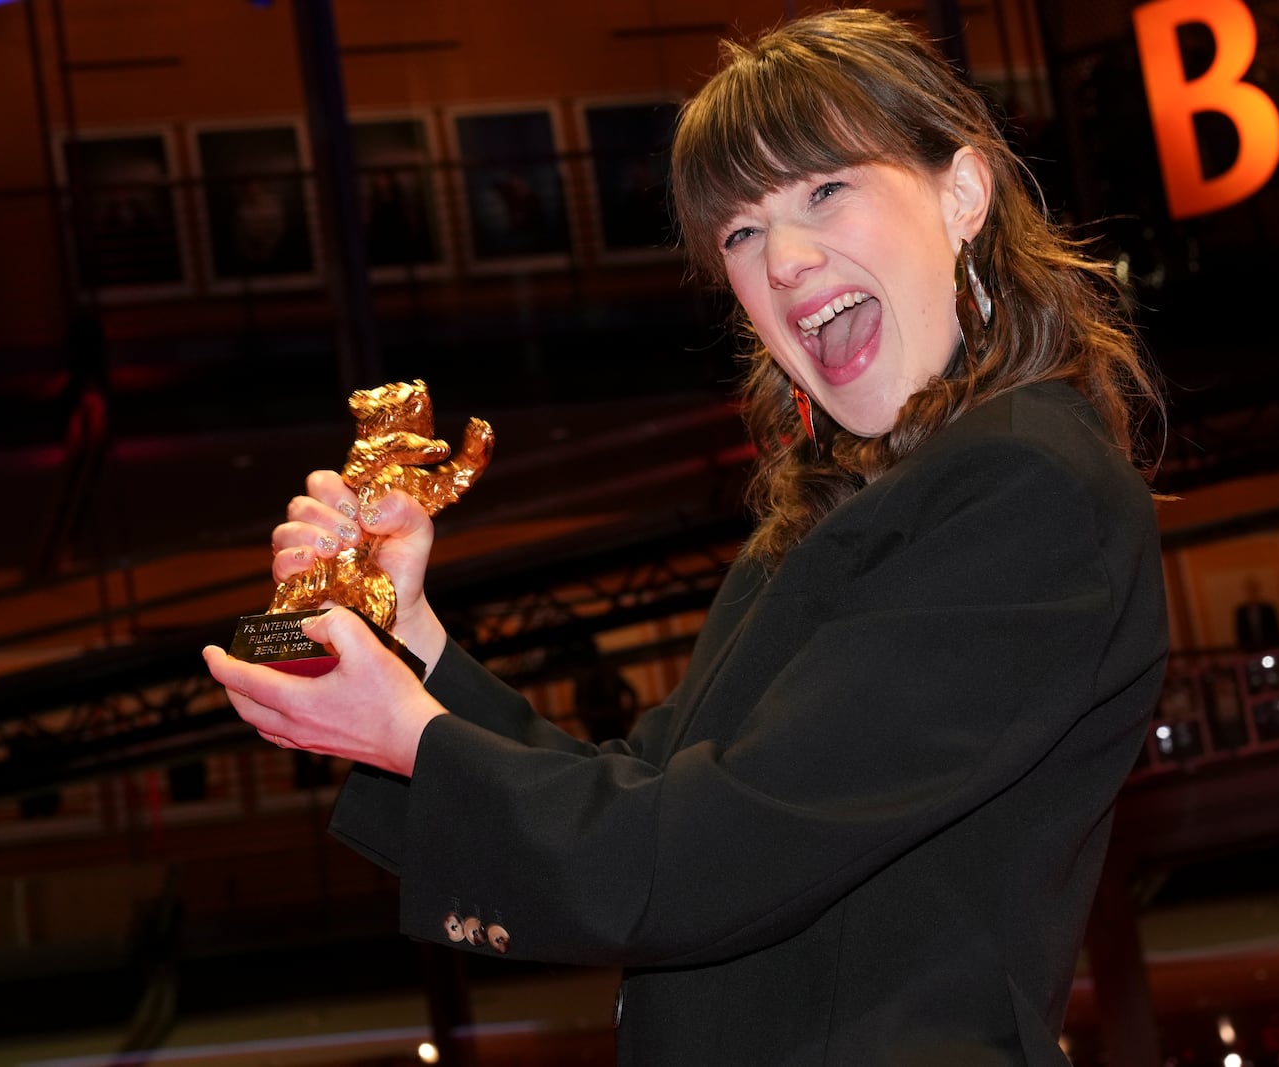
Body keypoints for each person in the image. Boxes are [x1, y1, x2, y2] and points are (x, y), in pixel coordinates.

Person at [203, 10, 1169, 1063]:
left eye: (824, 189)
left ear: (964, 190)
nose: (785, 260)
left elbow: (697, 856)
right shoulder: (837, 507)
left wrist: (407, 734)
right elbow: (648, 789)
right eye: (741, 233)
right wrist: (409, 644)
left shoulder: (1024, 488)